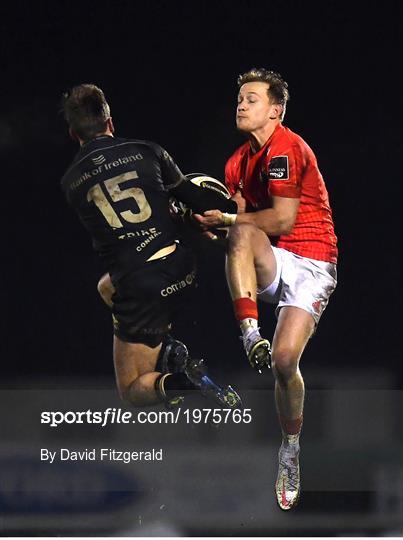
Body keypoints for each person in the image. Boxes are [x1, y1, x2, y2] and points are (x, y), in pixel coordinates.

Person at [194, 68, 338, 510]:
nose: (240, 104)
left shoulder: (288, 148)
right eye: (239, 97)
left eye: (251, 98)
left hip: (313, 260)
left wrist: (232, 224)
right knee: (237, 236)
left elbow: (281, 220)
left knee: (284, 362)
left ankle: (290, 447)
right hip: (274, 258)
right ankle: (249, 334)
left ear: (275, 111)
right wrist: (210, 226)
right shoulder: (236, 162)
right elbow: (240, 230)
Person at [61, 84, 241, 410]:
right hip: (181, 265)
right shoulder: (149, 151)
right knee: (106, 287)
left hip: (143, 286)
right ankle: (168, 346)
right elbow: (197, 200)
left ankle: (184, 381)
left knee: (132, 390)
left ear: (73, 133)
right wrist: (213, 214)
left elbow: (118, 234)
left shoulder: (71, 182)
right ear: (110, 122)